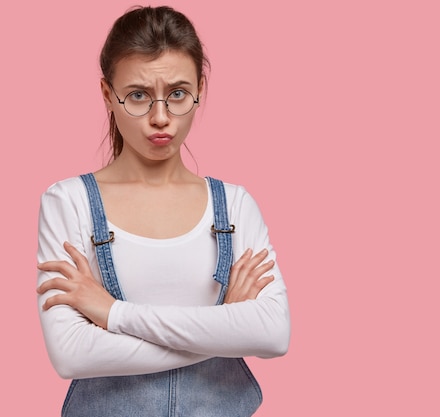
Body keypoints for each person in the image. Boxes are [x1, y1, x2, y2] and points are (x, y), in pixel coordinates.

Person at [35, 5, 290, 417]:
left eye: (177, 94)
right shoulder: (68, 202)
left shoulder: (236, 206)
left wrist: (112, 313)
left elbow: (274, 334)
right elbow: (72, 355)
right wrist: (224, 327)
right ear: (107, 94)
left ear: (199, 89)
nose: (160, 118)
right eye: (137, 95)